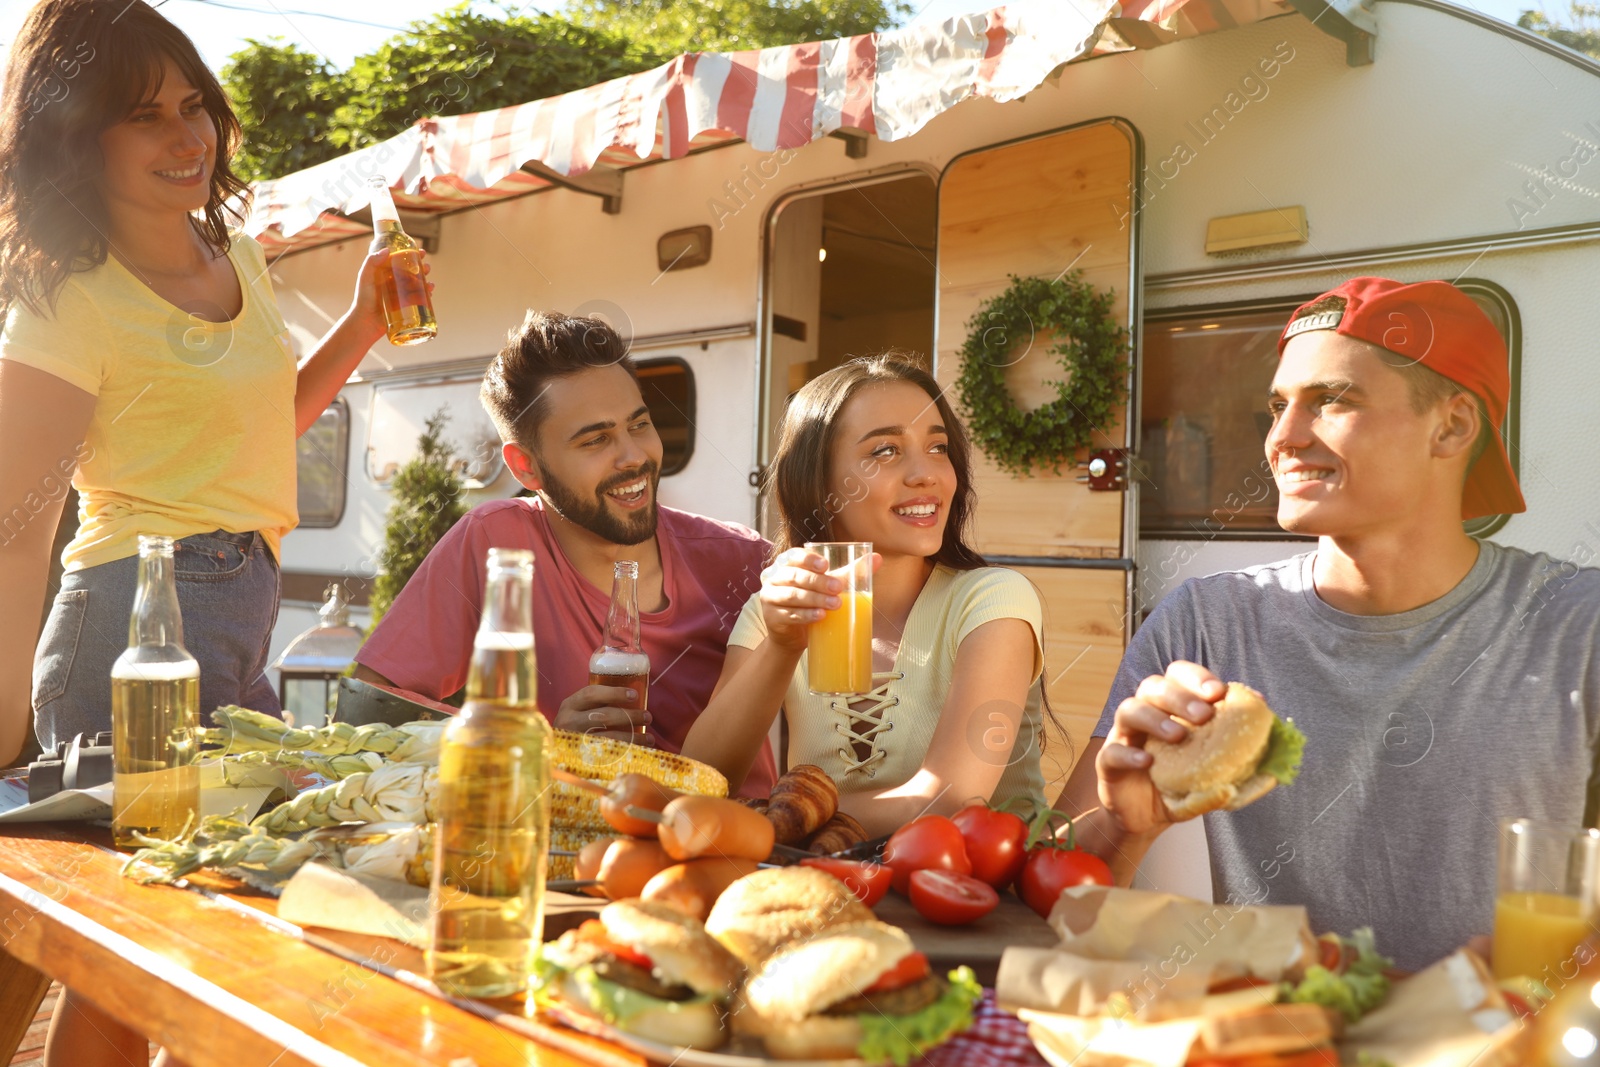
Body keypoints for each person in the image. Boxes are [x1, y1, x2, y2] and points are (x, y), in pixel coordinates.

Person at [0, 2, 421, 1062]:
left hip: (241, 610)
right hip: (127, 633)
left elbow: (254, 439)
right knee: (130, 960)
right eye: (147, 116)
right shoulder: (67, 301)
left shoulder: (231, 245)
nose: (190, 138)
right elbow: (16, 526)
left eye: (195, 106)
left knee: (204, 942)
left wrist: (364, 327)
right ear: (77, 137)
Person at [1057, 277, 1600, 972]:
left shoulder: (1577, 626)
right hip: (1278, 1042)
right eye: (1278, 406)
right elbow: (1060, 905)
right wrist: (1119, 829)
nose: (1281, 438)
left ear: (1453, 425)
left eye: (1332, 401)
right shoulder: (1202, 625)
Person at [352, 310, 779, 796]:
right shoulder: (497, 544)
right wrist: (542, 748)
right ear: (527, 468)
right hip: (565, 860)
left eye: (639, 425)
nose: (634, 455)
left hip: (744, 853)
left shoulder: (742, 560)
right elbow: (372, 708)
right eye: (596, 439)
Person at [682, 352, 1050, 837]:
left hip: (991, 898)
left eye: (938, 448)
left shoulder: (992, 601)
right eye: (885, 451)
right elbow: (703, 780)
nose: (927, 474)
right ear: (818, 482)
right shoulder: (773, 614)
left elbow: (953, 800)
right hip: (841, 888)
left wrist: (776, 823)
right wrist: (782, 645)